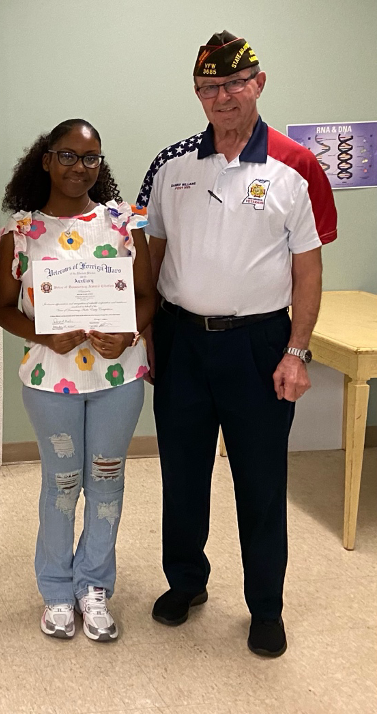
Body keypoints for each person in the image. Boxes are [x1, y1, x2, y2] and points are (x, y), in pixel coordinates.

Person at [137, 32, 336, 657]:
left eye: (234, 83)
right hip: (181, 341)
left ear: (259, 83)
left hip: (259, 345)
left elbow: (308, 269)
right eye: (208, 87)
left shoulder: (297, 166)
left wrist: (297, 351)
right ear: (197, 94)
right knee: (183, 474)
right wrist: (147, 333)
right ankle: (186, 582)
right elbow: (152, 256)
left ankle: (266, 607)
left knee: (260, 480)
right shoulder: (171, 165)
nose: (222, 97)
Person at [0, 120, 154, 642]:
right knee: (62, 483)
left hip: (118, 378)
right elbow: (1, 308)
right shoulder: (20, 234)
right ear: (46, 160)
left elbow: (147, 297)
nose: (79, 167)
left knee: (106, 480)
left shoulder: (124, 224)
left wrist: (128, 333)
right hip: (50, 381)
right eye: (67, 155)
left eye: (90, 158)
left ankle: (94, 584)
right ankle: (57, 589)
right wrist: (43, 333)